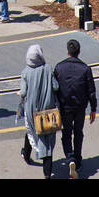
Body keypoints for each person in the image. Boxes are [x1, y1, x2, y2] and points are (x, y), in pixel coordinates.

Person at [53, 38, 97, 178]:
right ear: (79, 52)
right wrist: (93, 108)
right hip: (80, 107)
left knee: (66, 134)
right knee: (78, 132)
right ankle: (77, 159)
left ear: (68, 52)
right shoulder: (85, 68)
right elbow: (91, 91)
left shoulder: (59, 67)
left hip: (65, 107)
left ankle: (70, 157)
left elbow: (55, 89)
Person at [18, 44, 60, 178]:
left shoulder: (25, 72)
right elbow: (56, 86)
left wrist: (20, 93)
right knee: (47, 137)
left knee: (32, 132)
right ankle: (47, 173)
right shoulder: (48, 69)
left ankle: (26, 153)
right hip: (48, 109)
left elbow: (24, 92)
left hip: (32, 110)